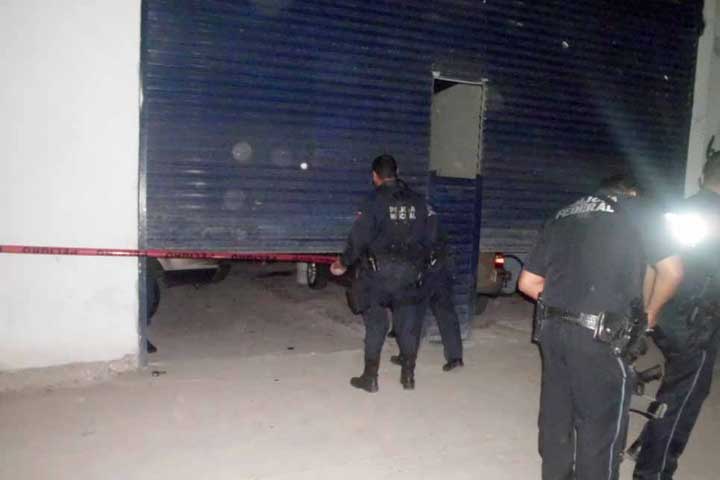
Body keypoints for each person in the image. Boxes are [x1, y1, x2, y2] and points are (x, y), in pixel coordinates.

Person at [518, 174, 683, 480]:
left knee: (557, 420)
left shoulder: (562, 215)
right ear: (632, 193)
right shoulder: (638, 210)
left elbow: (528, 283)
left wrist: (568, 302)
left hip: (551, 331)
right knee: (600, 432)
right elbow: (672, 272)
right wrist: (650, 314)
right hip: (600, 337)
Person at [633, 151, 720, 479]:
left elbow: (653, 264)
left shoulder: (675, 211)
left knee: (676, 387)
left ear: (702, 178)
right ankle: (652, 472)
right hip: (697, 324)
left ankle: (647, 443)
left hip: (665, 312)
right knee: (683, 400)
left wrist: (648, 310)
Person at [331, 154, 430, 392]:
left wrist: (343, 262)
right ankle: (408, 377)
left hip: (378, 276)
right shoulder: (418, 201)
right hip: (409, 274)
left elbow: (359, 238)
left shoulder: (373, 201)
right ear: (397, 172)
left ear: (375, 176)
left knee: (376, 324)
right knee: (407, 325)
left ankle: (370, 378)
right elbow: (428, 237)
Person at [390, 204, 464, 371]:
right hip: (442, 271)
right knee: (446, 315)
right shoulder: (430, 213)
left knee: (412, 317)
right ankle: (455, 358)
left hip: (424, 274)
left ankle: (407, 357)